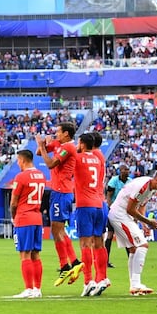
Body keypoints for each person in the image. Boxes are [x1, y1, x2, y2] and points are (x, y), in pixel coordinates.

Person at [108, 168, 157, 295]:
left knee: (133, 249)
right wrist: (149, 222)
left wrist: (144, 224)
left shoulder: (152, 189)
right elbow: (130, 209)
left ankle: (134, 286)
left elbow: (141, 205)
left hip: (123, 215)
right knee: (142, 245)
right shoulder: (142, 186)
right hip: (120, 215)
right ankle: (136, 283)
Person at [36, 122, 82, 286]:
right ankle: (71, 264)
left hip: (62, 192)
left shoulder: (68, 147)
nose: (56, 134)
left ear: (67, 134)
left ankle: (68, 264)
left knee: (56, 229)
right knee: (58, 230)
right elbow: (38, 152)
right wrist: (43, 145)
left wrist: (43, 145)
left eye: (58, 132)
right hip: (59, 191)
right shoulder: (60, 144)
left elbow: (49, 163)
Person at [73, 133, 109, 297]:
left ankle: (88, 281)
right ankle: (102, 278)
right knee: (98, 242)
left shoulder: (80, 157)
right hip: (100, 203)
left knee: (85, 244)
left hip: (86, 204)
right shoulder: (99, 157)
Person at [10, 149, 45, 299]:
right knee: (35, 254)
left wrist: (13, 217)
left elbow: (13, 202)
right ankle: (37, 288)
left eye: (18, 160)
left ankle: (28, 288)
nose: (18, 163)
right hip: (37, 218)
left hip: (24, 218)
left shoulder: (21, 177)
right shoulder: (41, 176)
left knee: (24, 254)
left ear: (23, 160)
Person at [105, 165, 131, 267]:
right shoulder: (114, 181)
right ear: (120, 171)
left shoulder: (130, 181)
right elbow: (108, 196)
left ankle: (131, 260)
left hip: (124, 211)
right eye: (125, 170)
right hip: (114, 210)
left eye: (128, 169)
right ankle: (105, 261)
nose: (127, 171)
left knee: (126, 235)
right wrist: (111, 208)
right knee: (110, 235)